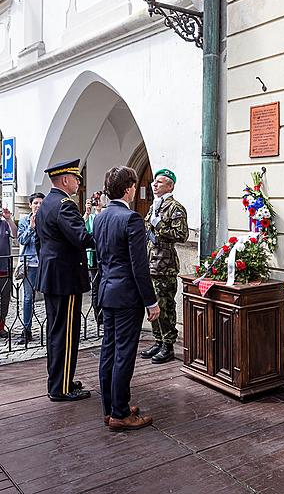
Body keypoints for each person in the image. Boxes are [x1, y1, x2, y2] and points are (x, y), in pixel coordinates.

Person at [93, 166, 160, 431]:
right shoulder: (131, 218)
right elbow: (139, 267)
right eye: (133, 185)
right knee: (123, 354)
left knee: (108, 351)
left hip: (107, 291)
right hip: (127, 296)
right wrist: (151, 301)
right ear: (128, 189)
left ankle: (111, 408)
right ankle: (120, 413)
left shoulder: (100, 218)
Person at [35, 159, 94, 402]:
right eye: (77, 179)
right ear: (66, 179)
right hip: (65, 278)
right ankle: (61, 388)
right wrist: (100, 225)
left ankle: (61, 378)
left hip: (53, 275)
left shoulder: (47, 203)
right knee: (66, 333)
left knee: (56, 331)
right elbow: (81, 238)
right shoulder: (64, 205)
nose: (79, 183)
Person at [142, 168, 189, 364]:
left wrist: (158, 224)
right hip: (150, 264)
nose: (155, 185)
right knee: (153, 306)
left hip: (165, 266)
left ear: (170, 185)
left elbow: (182, 235)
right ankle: (158, 340)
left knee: (165, 306)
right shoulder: (154, 206)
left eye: (160, 182)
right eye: (154, 182)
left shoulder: (174, 208)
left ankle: (168, 344)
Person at [16, 192, 45, 345]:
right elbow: (21, 239)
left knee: (49, 296)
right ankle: (26, 330)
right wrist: (32, 228)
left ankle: (51, 329)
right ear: (30, 205)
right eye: (35, 203)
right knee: (28, 298)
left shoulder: (47, 220)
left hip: (45, 264)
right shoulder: (24, 220)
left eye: (41, 203)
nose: (38, 206)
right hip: (30, 264)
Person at [83, 192, 106, 325]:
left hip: (105, 255)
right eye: (95, 200)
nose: (97, 203)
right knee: (96, 287)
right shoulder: (90, 217)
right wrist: (87, 212)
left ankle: (106, 312)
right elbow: (82, 229)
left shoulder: (106, 215)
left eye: (99, 200)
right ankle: (98, 315)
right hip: (93, 257)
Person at [0, 207, 17, 338]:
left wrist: (9, 219)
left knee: (5, 300)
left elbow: (15, 235)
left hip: (4, 269)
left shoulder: (4, 224)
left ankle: (1, 326)